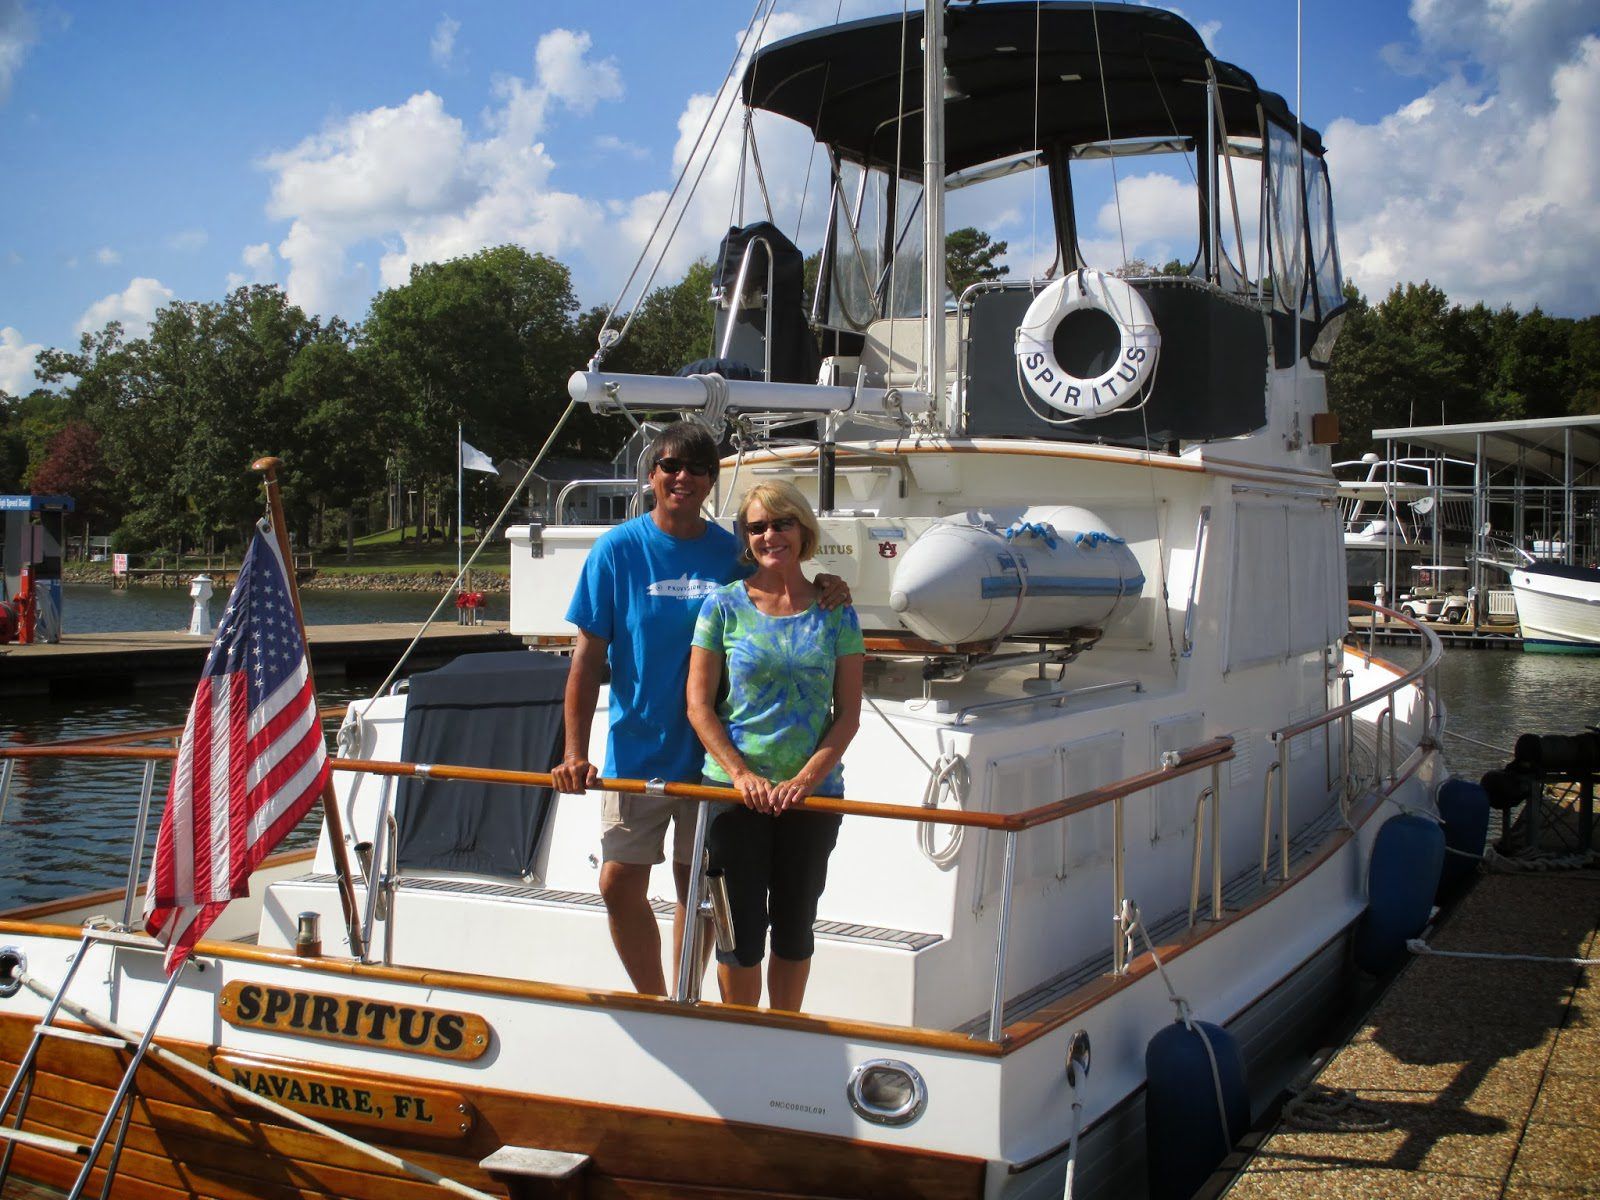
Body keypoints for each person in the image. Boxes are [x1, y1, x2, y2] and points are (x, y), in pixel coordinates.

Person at [552, 423, 847, 996]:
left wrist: (829, 584)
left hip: (715, 758)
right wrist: (573, 753)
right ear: (651, 475)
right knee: (618, 882)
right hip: (637, 750)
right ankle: (655, 999)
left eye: (697, 468)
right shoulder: (616, 550)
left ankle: (684, 1001)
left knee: (700, 887)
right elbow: (585, 663)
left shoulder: (729, 553)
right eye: (670, 466)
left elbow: (779, 585)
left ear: (713, 480)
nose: (682, 477)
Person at [686, 480, 864, 1012]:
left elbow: (848, 714)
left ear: (802, 529)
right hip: (732, 795)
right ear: (746, 537)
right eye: (757, 527)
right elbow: (699, 706)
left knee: (795, 926)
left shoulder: (837, 610)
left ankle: (784, 1034)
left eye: (782, 523)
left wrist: (804, 781)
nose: (770, 535)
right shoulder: (722, 607)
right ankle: (743, 1039)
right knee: (737, 933)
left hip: (811, 798)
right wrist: (742, 776)